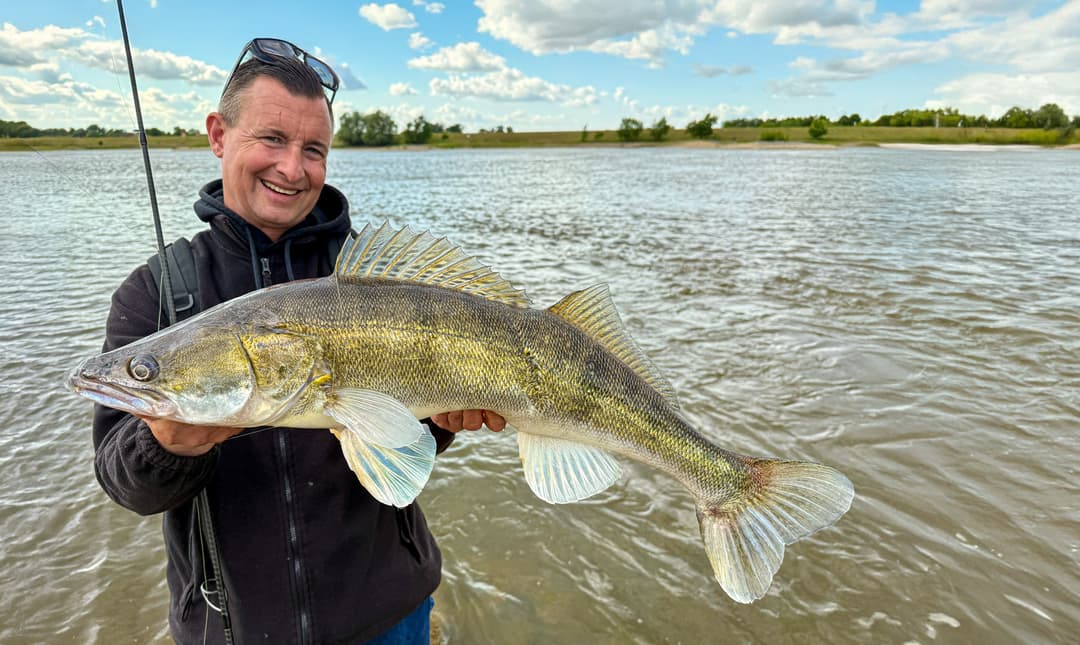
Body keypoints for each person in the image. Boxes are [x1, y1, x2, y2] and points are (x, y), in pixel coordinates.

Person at [92, 38, 505, 644]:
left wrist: (443, 420)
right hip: (232, 628)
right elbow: (125, 484)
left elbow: (407, 444)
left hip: (390, 614)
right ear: (218, 134)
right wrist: (169, 445)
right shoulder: (154, 294)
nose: (293, 168)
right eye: (272, 139)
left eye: (314, 149)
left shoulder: (378, 279)